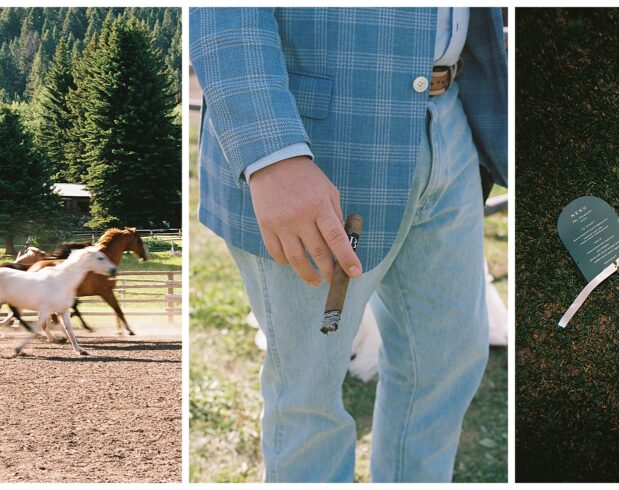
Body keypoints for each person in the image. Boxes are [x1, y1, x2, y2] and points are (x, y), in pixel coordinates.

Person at [190, 7, 507, 482]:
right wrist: (272, 153)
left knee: (445, 367)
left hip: (449, 119)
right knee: (308, 395)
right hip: (316, 141)